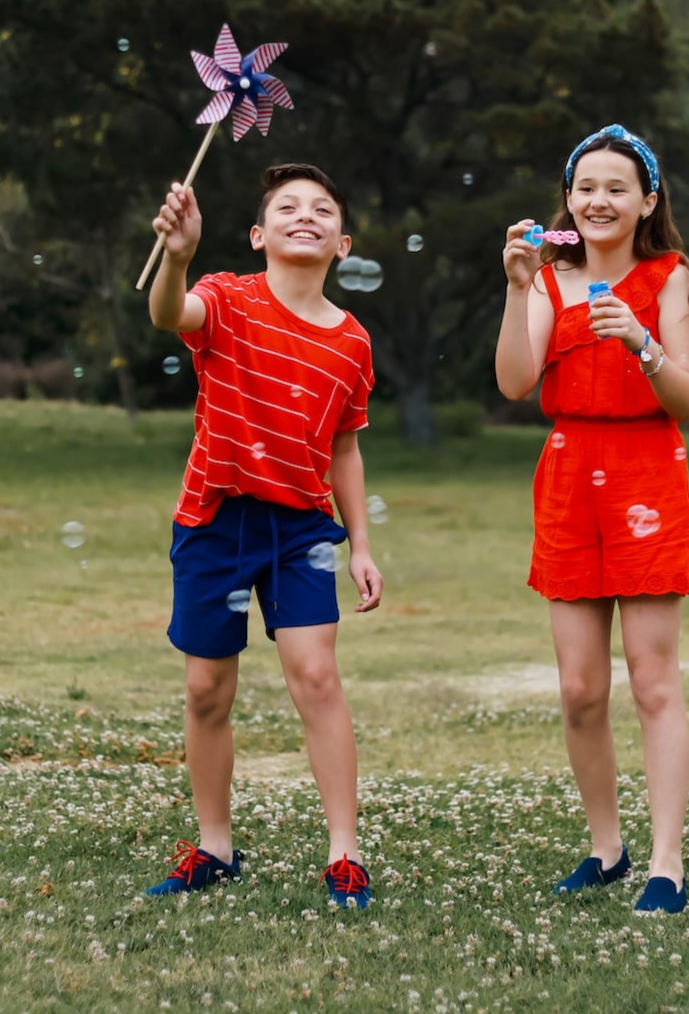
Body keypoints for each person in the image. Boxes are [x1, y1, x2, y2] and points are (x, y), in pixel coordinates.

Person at [145, 163, 382, 909]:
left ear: (342, 243)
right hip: (216, 520)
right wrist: (178, 255)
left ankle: (344, 853)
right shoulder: (224, 296)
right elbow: (166, 314)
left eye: (321, 209)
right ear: (259, 234)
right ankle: (215, 845)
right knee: (207, 686)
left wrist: (362, 545)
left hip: (301, 527)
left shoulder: (351, 342)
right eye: (287, 206)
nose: (304, 215)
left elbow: (345, 447)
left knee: (317, 677)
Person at [495, 124, 689, 914]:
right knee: (582, 690)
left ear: (647, 201)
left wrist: (645, 346)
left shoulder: (670, 280)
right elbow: (516, 384)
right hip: (567, 475)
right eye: (585, 186)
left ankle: (666, 863)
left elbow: (685, 398)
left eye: (617, 187)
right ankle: (607, 848)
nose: (598, 199)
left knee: (653, 682)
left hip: (646, 473)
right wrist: (520, 287)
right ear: (568, 200)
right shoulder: (551, 282)